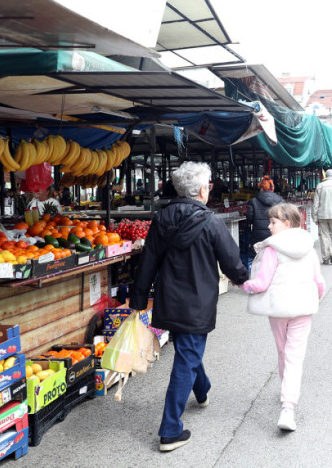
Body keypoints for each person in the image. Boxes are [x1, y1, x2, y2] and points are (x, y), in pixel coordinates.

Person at [129, 161, 248, 452]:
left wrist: (139, 299)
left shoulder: (162, 218)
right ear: (201, 190)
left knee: (188, 348)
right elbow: (232, 262)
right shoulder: (210, 221)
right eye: (208, 185)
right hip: (198, 302)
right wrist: (244, 279)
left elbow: (149, 260)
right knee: (186, 357)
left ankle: (202, 390)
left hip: (170, 300)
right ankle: (170, 430)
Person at [242, 203, 325, 432]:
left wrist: (241, 283)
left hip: (279, 309)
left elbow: (260, 283)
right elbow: (319, 283)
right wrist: (314, 297)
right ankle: (288, 406)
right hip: (303, 308)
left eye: (273, 222)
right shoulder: (308, 245)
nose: (269, 227)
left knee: (283, 352)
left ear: (287, 223)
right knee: (295, 356)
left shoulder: (272, 250)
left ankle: (286, 399)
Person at [245, 176, 285, 258]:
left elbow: (249, 218)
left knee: (258, 257)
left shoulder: (254, 201)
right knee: (275, 257)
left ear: (261, 188)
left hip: (258, 235)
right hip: (276, 234)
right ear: (272, 188)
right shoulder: (280, 201)